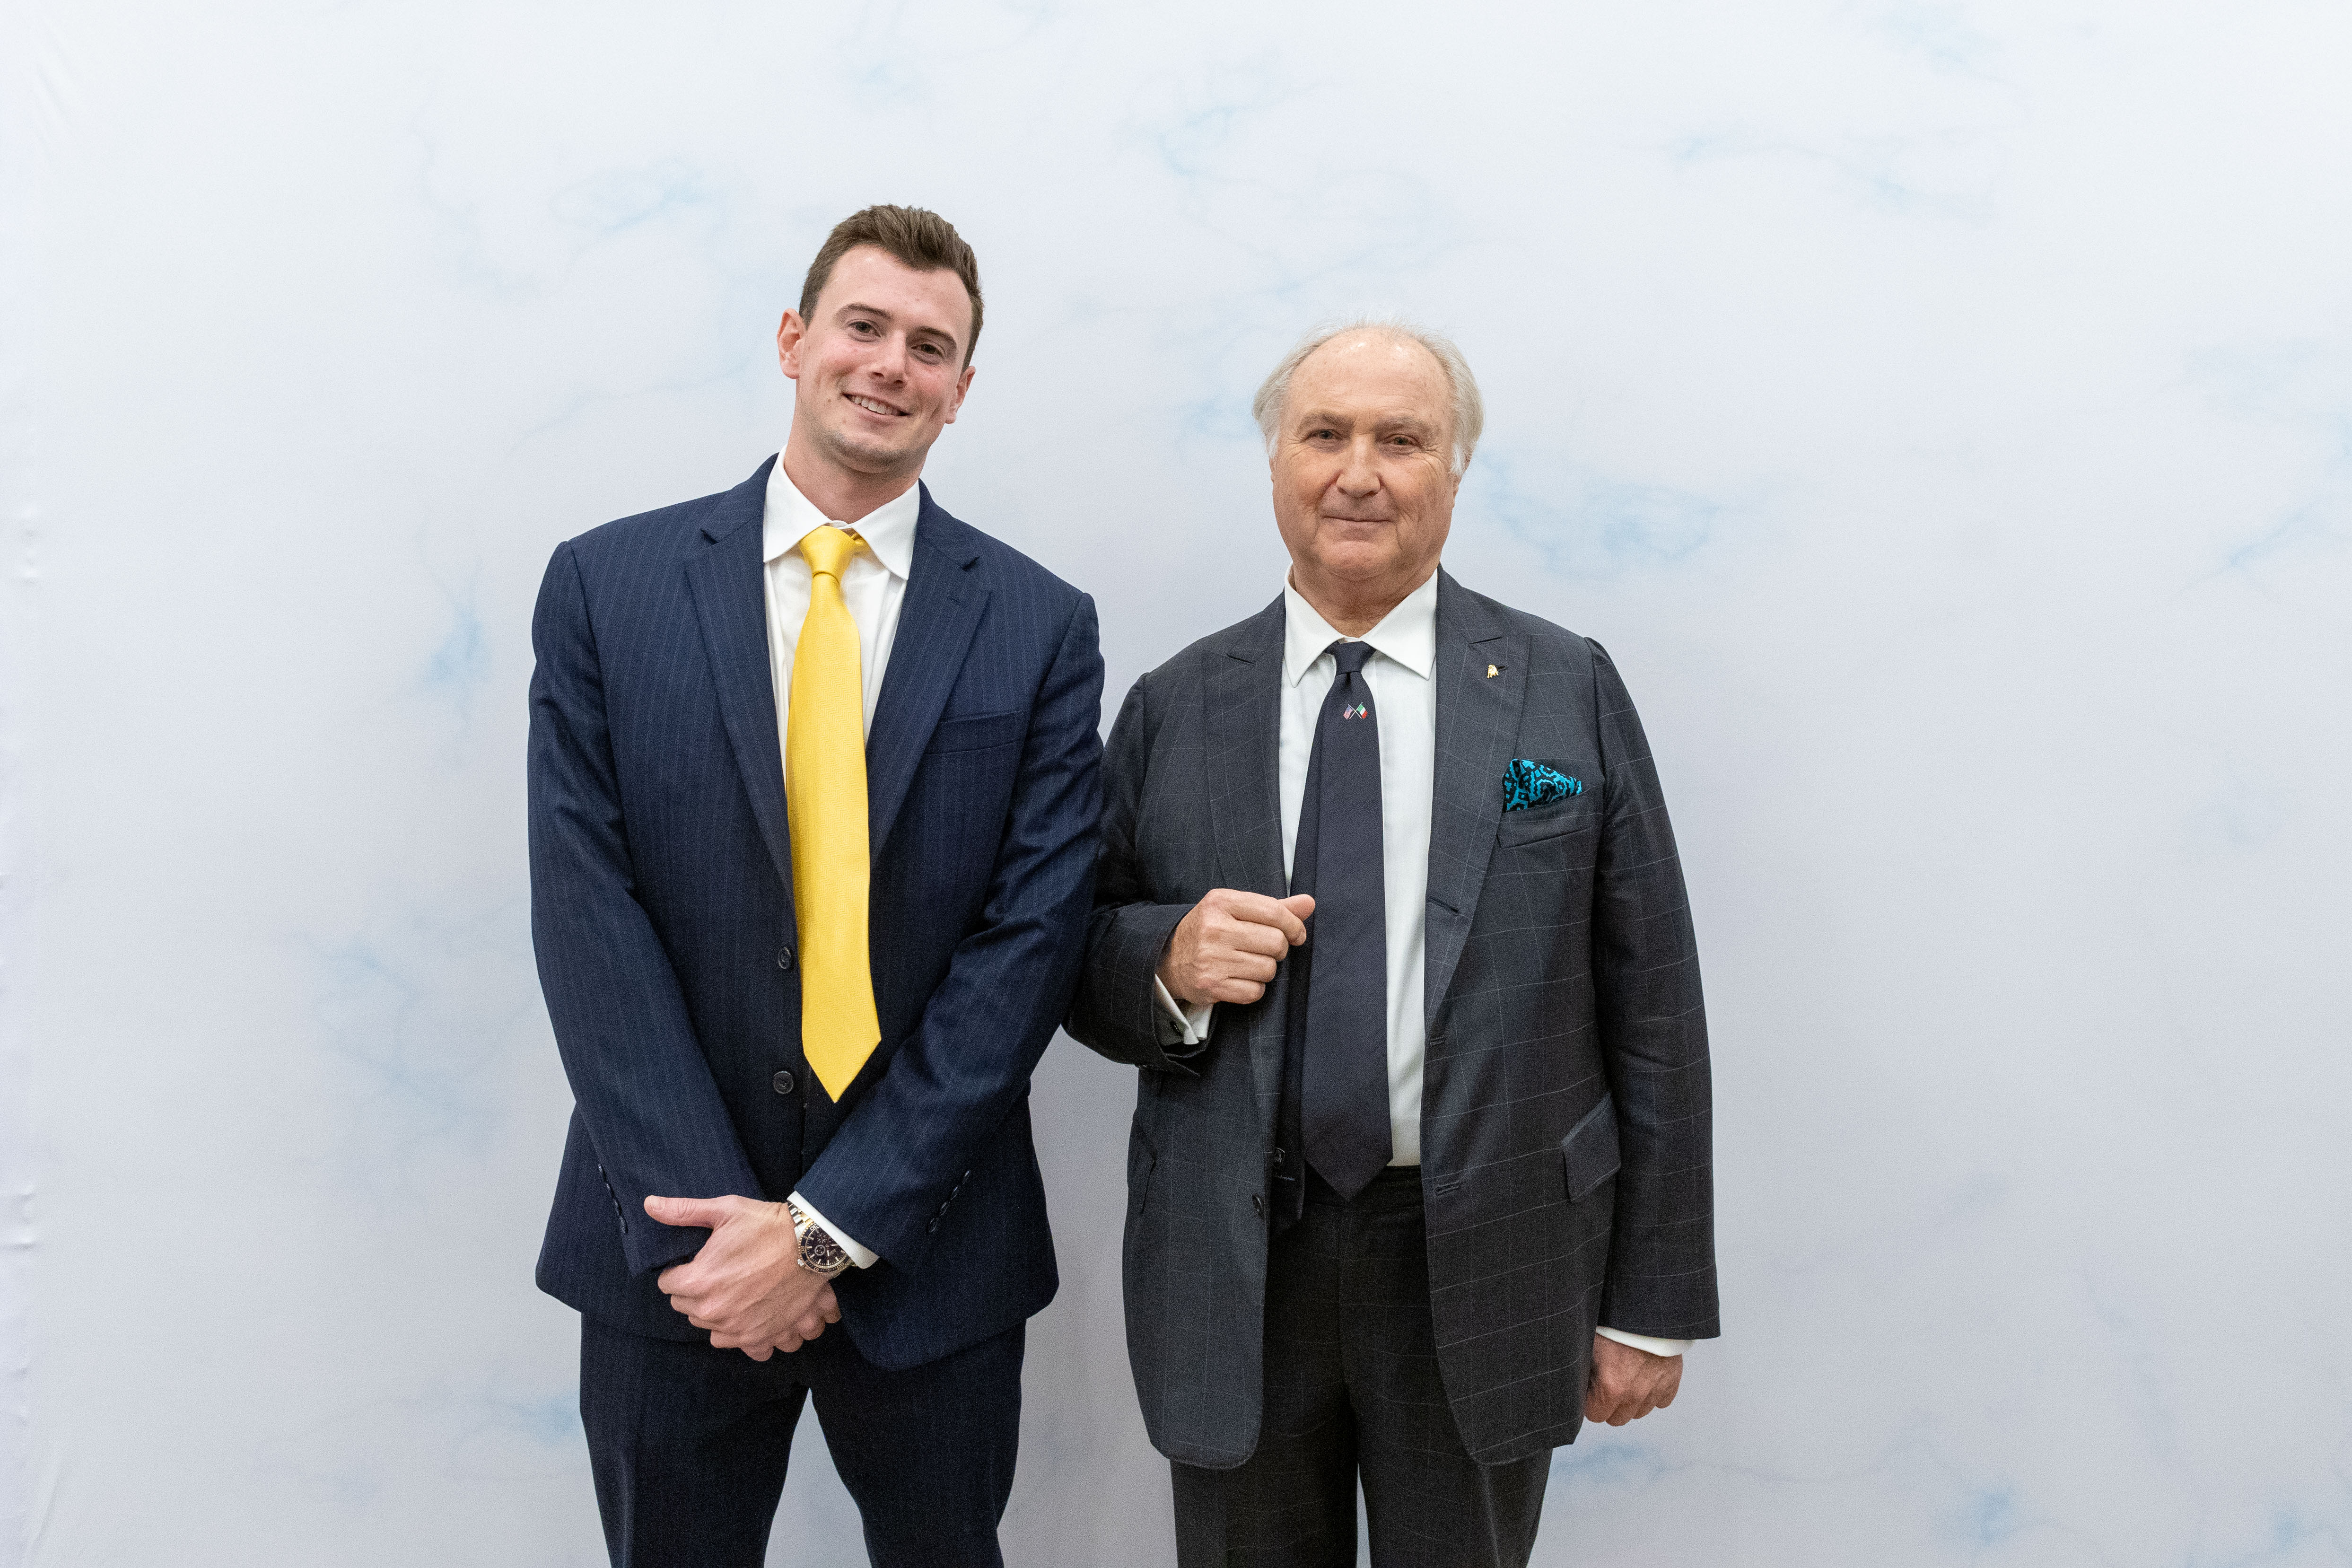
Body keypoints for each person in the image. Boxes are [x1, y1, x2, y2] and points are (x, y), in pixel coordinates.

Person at [1066, 320, 1718, 1567]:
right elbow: (1074, 956)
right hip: (1239, 1264)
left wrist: (1654, 1301)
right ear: (1277, 464)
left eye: (1401, 439)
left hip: (1487, 1257)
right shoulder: (1174, 703)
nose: (1358, 472)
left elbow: (1655, 1003)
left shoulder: (1564, 684)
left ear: (1453, 473)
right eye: (1325, 434)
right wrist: (1164, 962)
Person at [528, 204, 1103, 1568]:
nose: (891, 363)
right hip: (675, 1251)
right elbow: (587, 916)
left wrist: (830, 1230)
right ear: (795, 340)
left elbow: (1027, 948)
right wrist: (723, 1237)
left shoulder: (1041, 626)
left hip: (935, 1251)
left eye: (930, 346)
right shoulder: (607, 587)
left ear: (962, 389)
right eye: (863, 326)